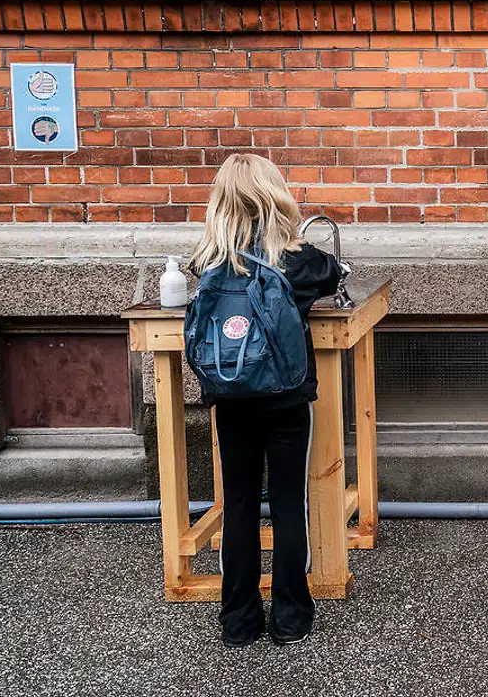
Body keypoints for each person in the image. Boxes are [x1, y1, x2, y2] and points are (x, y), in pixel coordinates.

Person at [189, 154, 342, 647]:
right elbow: (332, 273)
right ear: (273, 195)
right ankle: (291, 617)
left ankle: (239, 621)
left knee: (238, 504)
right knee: (287, 503)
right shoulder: (294, 261)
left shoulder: (208, 260)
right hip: (285, 399)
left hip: (230, 399)